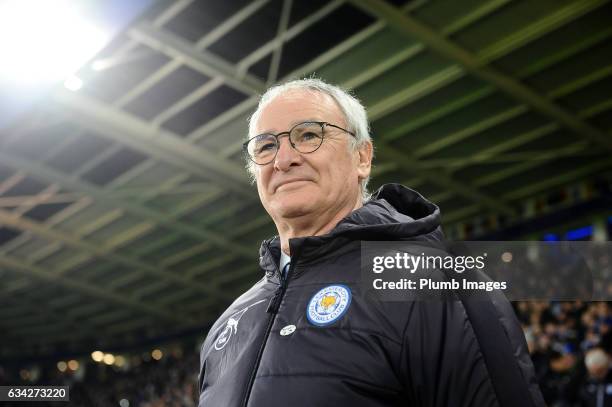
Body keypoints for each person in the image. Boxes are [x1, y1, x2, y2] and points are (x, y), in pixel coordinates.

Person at [197, 78, 545, 406]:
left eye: (307, 135)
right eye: (267, 145)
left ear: (362, 157)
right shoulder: (229, 324)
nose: (284, 159)